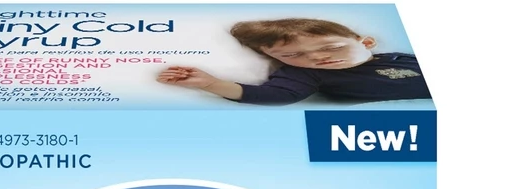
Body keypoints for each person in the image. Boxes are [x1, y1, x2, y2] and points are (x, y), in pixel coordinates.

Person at [157, 17, 430, 105]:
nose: (316, 57)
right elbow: (274, 95)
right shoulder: (306, 74)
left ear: (366, 43)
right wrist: (210, 83)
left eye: (331, 48)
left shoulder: (401, 57)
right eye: (291, 55)